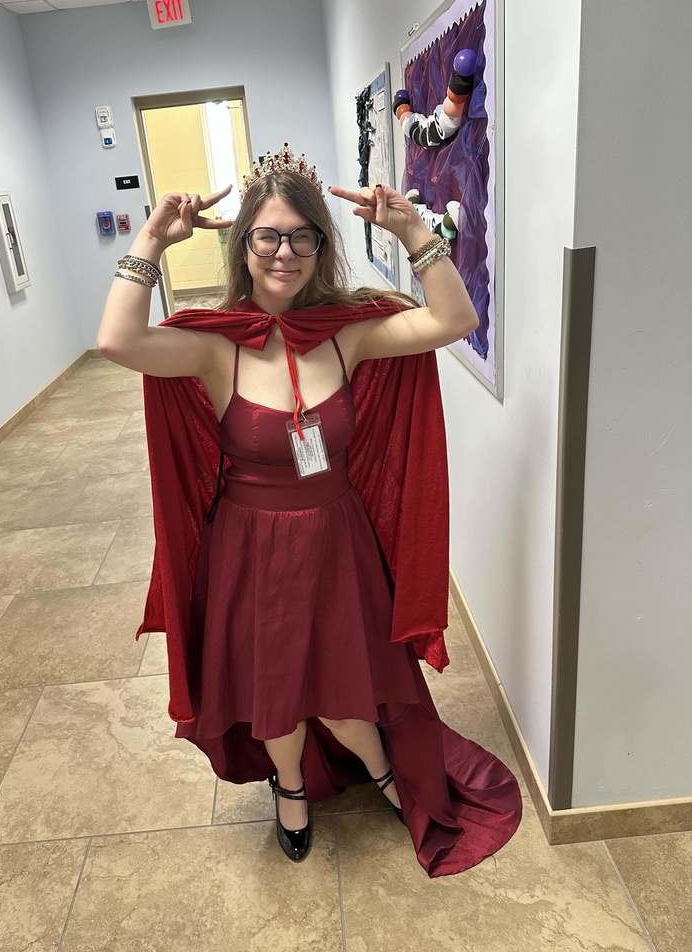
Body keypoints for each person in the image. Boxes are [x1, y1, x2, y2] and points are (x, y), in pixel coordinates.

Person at [96, 143, 522, 874]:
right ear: (243, 245)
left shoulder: (348, 334)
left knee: (345, 687)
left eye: (301, 237)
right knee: (275, 691)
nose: (284, 253)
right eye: (267, 236)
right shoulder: (213, 348)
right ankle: (289, 787)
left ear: (321, 247)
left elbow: (454, 319)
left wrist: (413, 231)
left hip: (336, 539)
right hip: (251, 547)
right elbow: (116, 340)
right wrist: (150, 243)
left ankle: (384, 770)